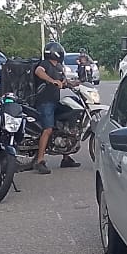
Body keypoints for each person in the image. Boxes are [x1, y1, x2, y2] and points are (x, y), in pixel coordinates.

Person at [23, 41, 79, 175]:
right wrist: (51, 81)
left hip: (55, 101)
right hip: (44, 102)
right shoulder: (44, 64)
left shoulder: (59, 67)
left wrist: (74, 83)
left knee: (67, 120)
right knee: (48, 129)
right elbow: (39, 72)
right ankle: (40, 160)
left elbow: (63, 81)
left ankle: (66, 156)